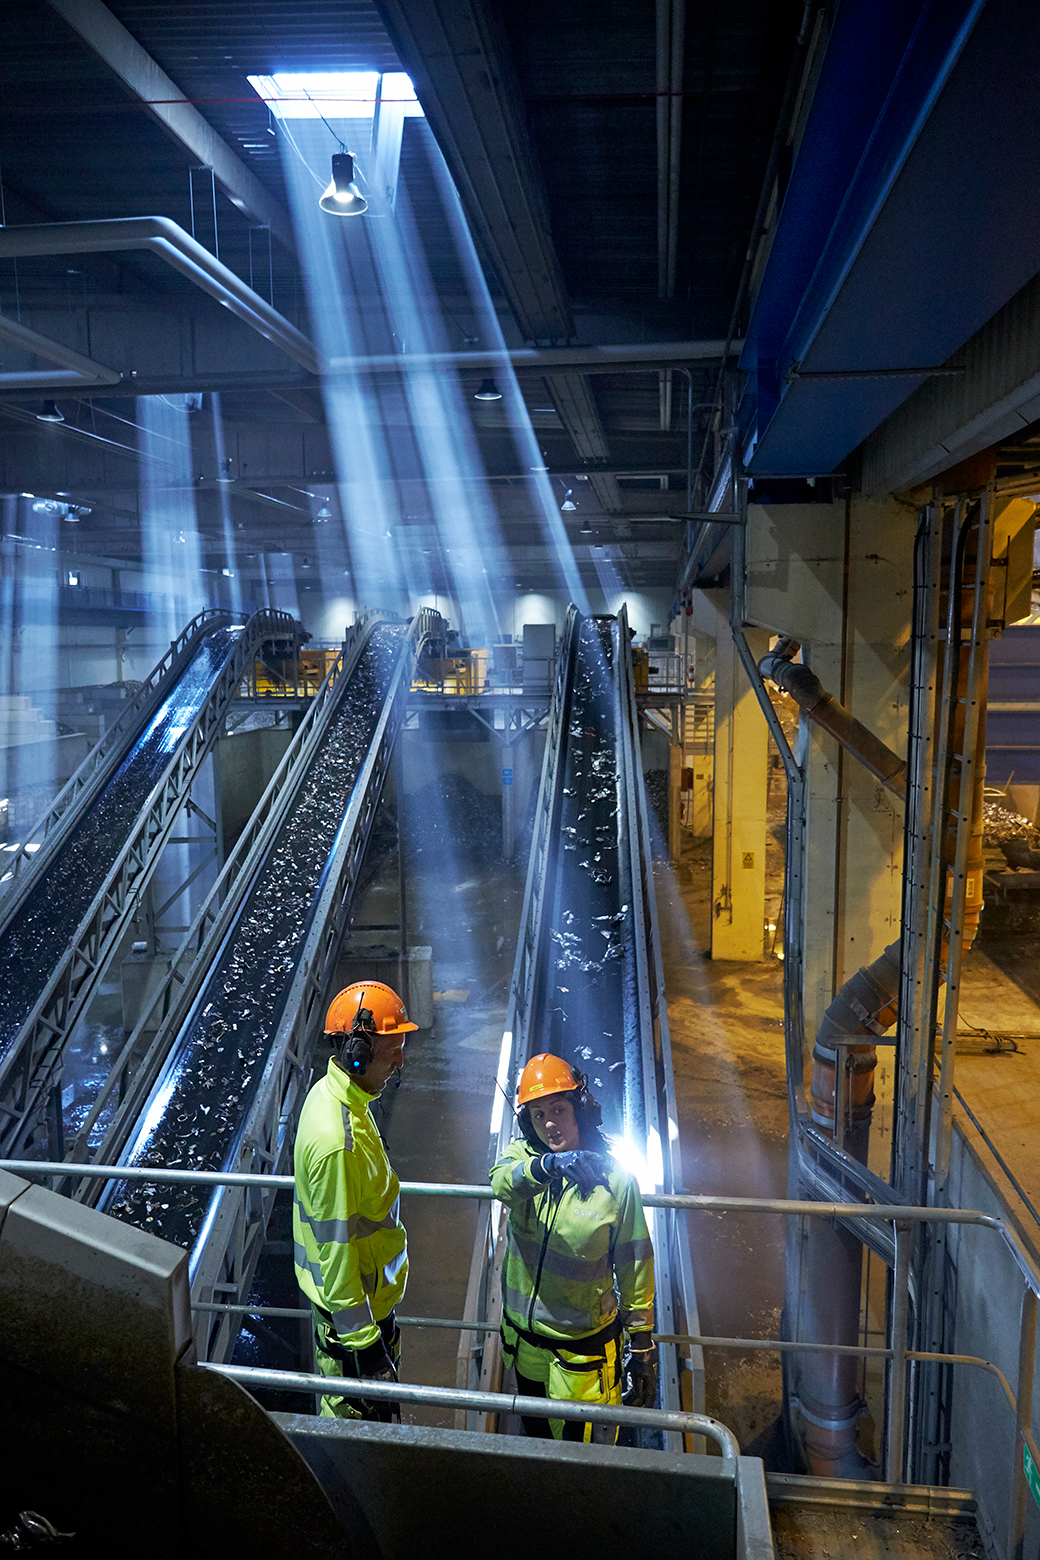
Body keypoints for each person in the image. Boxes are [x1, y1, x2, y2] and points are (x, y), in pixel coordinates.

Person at [489, 1052, 658, 1442]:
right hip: (526, 1346)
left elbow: (635, 1266)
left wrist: (642, 1342)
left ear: (580, 1108)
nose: (550, 1123)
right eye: (538, 1115)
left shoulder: (615, 1181)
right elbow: (501, 1183)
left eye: (559, 1109)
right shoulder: (524, 1162)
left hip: (583, 1356)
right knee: (537, 1442)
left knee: (584, 1461)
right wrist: (550, 1166)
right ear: (527, 1123)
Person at [293, 980, 417, 1420]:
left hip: (363, 1315)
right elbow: (337, 1252)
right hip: (355, 1332)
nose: (401, 1058)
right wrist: (368, 1350)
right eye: (393, 1046)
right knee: (358, 1442)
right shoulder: (338, 1141)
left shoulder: (338, 1099)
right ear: (357, 1052)